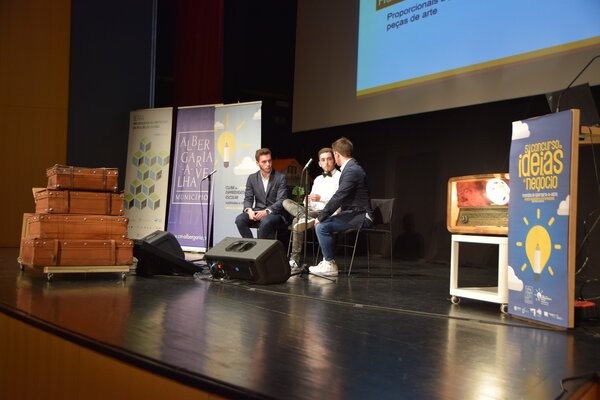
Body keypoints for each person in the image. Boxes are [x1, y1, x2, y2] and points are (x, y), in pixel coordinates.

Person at [310, 137, 373, 277]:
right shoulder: (351, 168)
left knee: (321, 226)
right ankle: (327, 261)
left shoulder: (351, 170)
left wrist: (321, 216)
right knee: (322, 224)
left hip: (362, 216)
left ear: (336, 154)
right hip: (353, 213)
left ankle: (329, 264)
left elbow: (339, 196)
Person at [282, 147, 340, 273]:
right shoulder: (318, 179)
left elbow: (339, 200)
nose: (326, 162)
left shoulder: (340, 177)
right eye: (323, 160)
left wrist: (321, 198)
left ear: (334, 160)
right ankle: (304, 216)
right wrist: (307, 201)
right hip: (313, 211)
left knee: (297, 220)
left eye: (329, 159)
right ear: (319, 163)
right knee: (286, 202)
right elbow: (312, 203)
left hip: (327, 213)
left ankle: (294, 260)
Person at [235, 148, 289, 239]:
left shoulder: (280, 178)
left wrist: (267, 211)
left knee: (265, 221)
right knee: (239, 220)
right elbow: (248, 198)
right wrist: (249, 210)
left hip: (275, 213)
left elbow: (281, 200)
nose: (268, 164)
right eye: (264, 162)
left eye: (269, 161)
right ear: (257, 163)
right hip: (258, 210)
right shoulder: (252, 178)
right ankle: (251, 244)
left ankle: (259, 247)